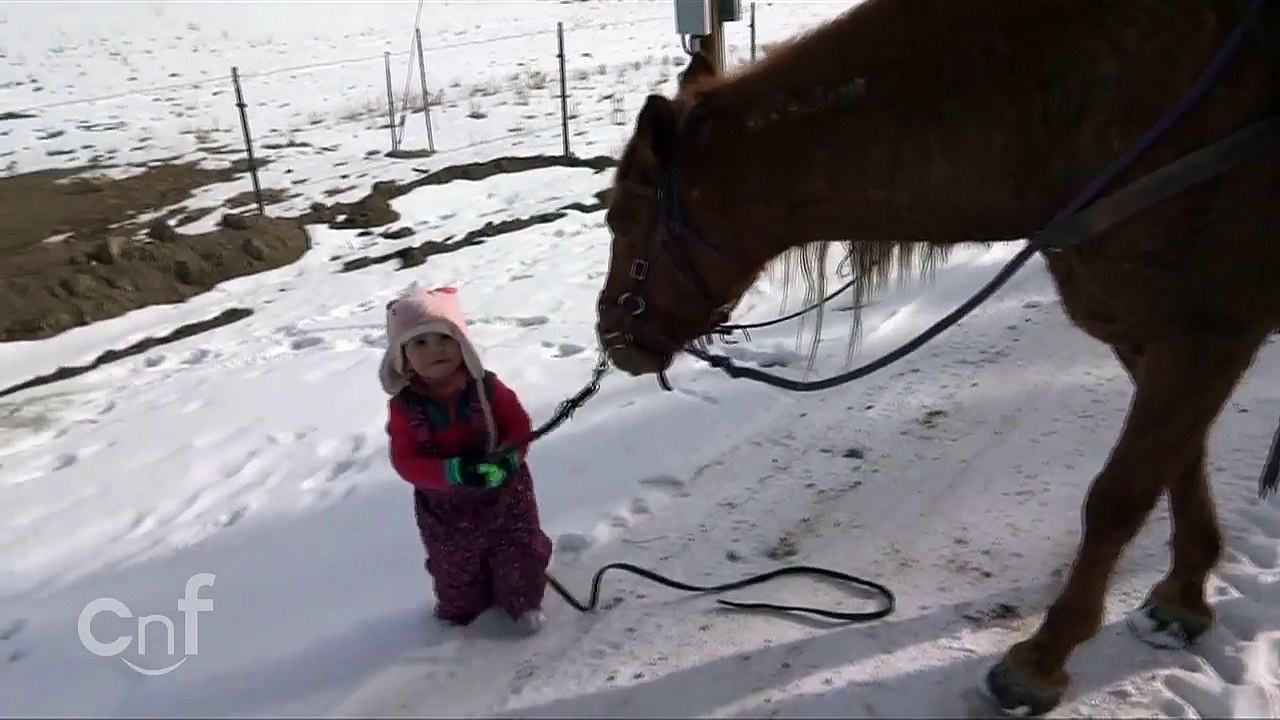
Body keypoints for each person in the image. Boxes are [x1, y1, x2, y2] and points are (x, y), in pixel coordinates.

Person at [379, 285, 552, 633]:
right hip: (446, 506)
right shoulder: (404, 407)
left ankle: (522, 600)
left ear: (462, 343)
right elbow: (405, 459)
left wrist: (507, 459)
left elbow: (518, 426)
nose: (435, 350)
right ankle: (463, 614)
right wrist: (452, 472)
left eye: (444, 338)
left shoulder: (487, 387)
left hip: (505, 490)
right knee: (454, 564)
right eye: (420, 343)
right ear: (402, 356)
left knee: (518, 549)